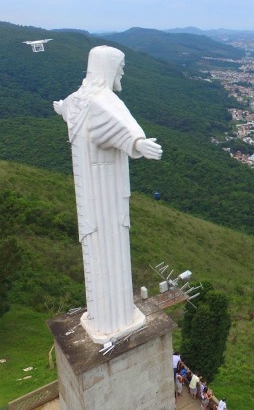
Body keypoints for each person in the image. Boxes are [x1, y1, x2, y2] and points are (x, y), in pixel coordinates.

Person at [54, 45, 163, 343]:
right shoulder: (101, 101)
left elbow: (75, 114)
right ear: (107, 68)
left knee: (98, 248)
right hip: (106, 194)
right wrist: (139, 144)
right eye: (121, 66)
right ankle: (114, 320)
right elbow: (121, 126)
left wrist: (62, 109)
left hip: (89, 192)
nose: (123, 72)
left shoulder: (78, 101)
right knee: (109, 247)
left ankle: (108, 318)